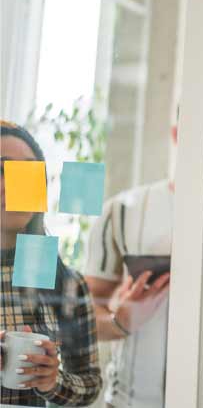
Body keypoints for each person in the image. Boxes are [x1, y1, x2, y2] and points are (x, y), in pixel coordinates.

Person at [82, 97, 203, 407]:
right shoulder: (121, 211)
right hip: (129, 402)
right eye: (199, 123)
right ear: (177, 134)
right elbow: (83, 313)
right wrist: (121, 320)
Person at [0, 121, 102, 406]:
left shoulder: (67, 282)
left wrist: (52, 382)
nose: (17, 183)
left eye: (28, 173)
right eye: (2, 170)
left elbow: (90, 383)